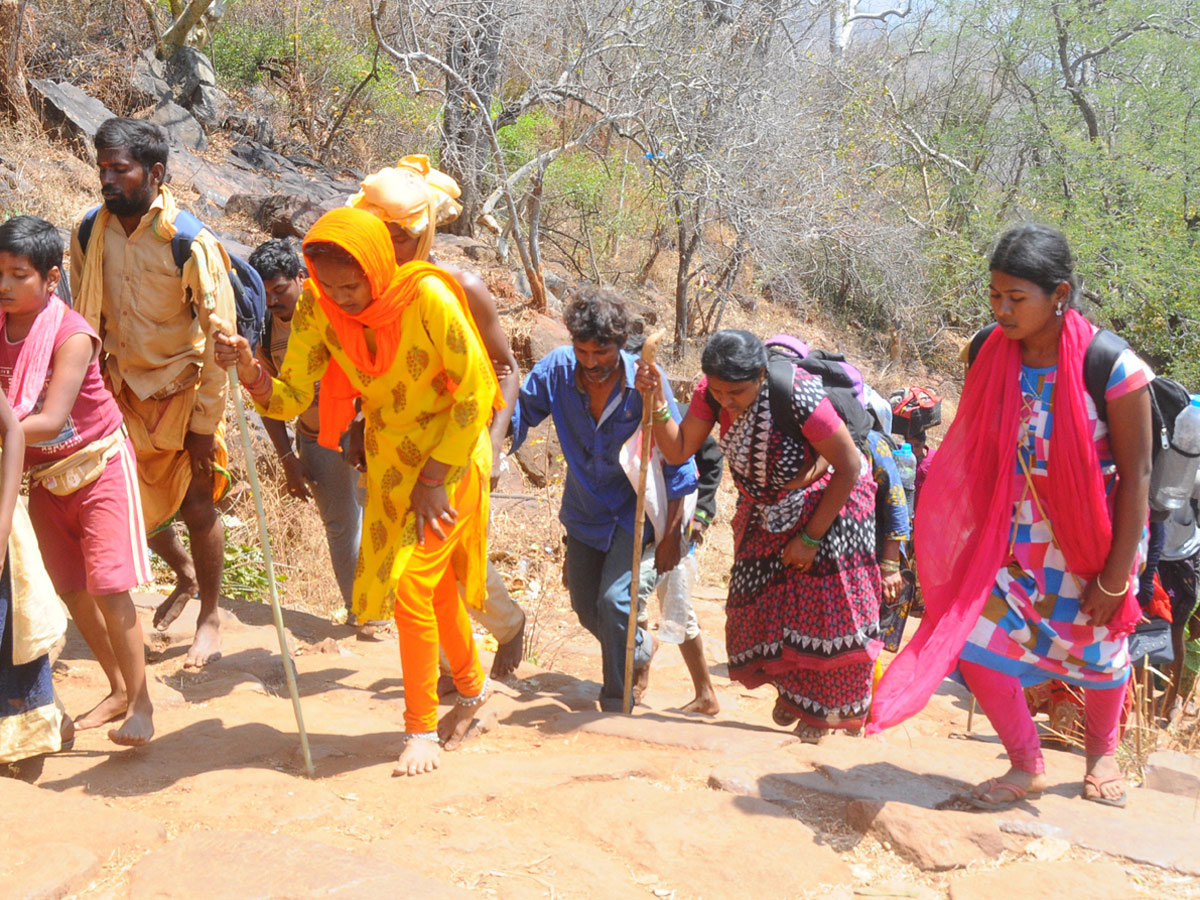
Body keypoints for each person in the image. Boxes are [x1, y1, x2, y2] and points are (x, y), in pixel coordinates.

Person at [870, 223, 1152, 810]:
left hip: (1096, 536)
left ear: (1060, 295)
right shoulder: (987, 351)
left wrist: (1115, 574)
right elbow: (978, 447)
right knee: (971, 641)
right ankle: (1027, 762)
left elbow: (1138, 477)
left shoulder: (1113, 367)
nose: (1001, 310)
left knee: (1100, 646)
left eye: (1015, 298)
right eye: (994, 295)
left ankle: (1102, 752)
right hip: (1014, 532)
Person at [215, 207, 501, 776]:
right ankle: (472, 691)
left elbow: (476, 393)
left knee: (413, 586)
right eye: (329, 285)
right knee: (435, 585)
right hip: (391, 463)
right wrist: (248, 367)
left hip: (450, 460)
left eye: (353, 285)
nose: (343, 298)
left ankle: (419, 728)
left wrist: (433, 480)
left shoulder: (427, 298)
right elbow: (290, 397)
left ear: (378, 265)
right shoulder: (318, 309)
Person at [637, 329, 881, 740]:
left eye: (738, 392)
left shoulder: (797, 395)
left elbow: (850, 466)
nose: (727, 401)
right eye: (719, 392)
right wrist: (658, 401)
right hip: (764, 508)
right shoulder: (709, 394)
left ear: (763, 376)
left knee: (824, 611)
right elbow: (679, 451)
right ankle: (793, 694)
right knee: (761, 605)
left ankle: (822, 714)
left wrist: (810, 539)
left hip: (829, 504)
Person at [70, 118, 236, 670]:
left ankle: (209, 615)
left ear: (155, 172)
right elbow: (79, 321)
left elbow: (218, 339)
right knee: (123, 504)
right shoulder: (90, 233)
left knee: (196, 502)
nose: (108, 180)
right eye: (103, 169)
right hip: (116, 388)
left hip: (180, 390)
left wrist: (204, 427)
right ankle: (183, 575)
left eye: (121, 169)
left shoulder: (190, 241)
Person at [349, 158, 525, 677]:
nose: (388, 246)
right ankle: (458, 669)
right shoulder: (364, 290)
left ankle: (498, 634)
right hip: (392, 446)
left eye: (400, 235)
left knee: (438, 558)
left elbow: (505, 369)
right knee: (421, 563)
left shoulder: (458, 287)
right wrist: (359, 425)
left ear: (423, 234)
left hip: (455, 445)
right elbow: (377, 370)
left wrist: (493, 443)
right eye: (379, 234)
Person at [0, 215, 155, 745]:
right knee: (70, 588)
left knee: (110, 587)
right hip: (43, 475)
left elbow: (47, 419)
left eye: (18, 275)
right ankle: (116, 689)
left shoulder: (72, 335)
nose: (4, 285)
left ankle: (142, 704)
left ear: (50, 278)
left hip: (97, 465)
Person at [511, 288, 697, 711]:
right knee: (583, 605)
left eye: (602, 353)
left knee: (615, 602)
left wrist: (672, 536)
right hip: (584, 511)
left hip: (635, 514)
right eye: (583, 350)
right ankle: (641, 649)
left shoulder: (646, 379)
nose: (591, 363)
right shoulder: (557, 370)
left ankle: (617, 699)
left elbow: (678, 462)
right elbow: (521, 413)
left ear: (621, 345)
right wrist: (492, 434)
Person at [248, 239, 363, 626]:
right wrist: (287, 460)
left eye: (279, 291)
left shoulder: (335, 310)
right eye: (264, 294)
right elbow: (268, 399)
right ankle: (361, 614)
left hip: (362, 427)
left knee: (381, 518)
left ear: (301, 277)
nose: (273, 302)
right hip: (316, 436)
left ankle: (391, 608)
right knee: (341, 527)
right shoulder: (264, 332)